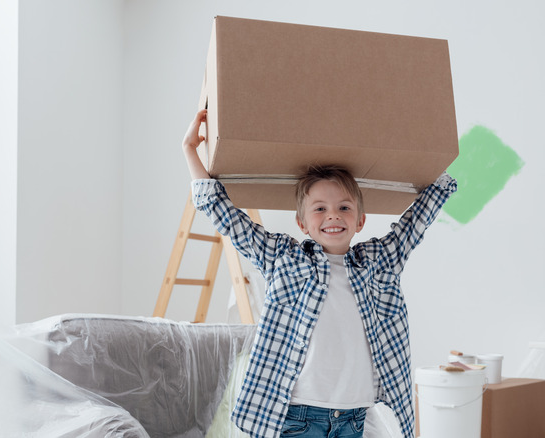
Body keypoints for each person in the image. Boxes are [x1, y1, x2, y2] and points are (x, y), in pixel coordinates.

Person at [182, 109, 457, 438]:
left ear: (360, 221)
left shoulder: (379, 264)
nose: (333, 216)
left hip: (352, 417)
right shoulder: (285, 259)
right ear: (302, 223)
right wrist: (190, 151)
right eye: (320, 209)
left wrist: (435, 152)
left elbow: (415, 224)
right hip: (298, 416)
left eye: (344, 207)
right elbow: (227, 217)